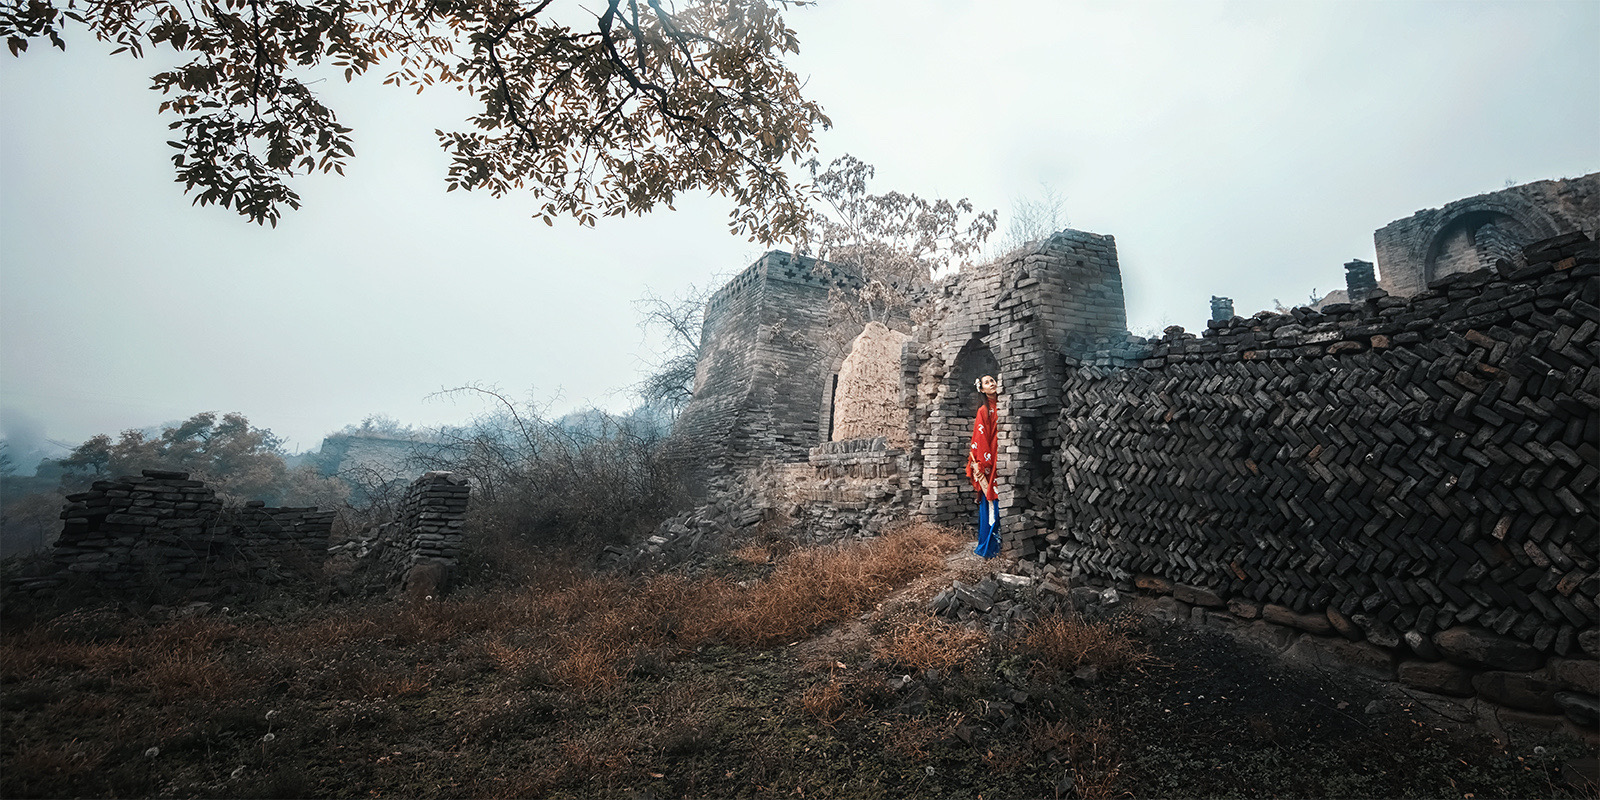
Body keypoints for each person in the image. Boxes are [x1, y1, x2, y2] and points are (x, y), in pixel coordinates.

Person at [966, 374, 1001, 558]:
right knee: (991, 499)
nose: (992, 383)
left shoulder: (1002, 405)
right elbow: (981, 439)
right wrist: (985, 464)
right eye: (987, 382)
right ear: (982, 389)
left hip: (1002, 455)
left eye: (993, 380)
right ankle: (990, 546)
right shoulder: (983, 411)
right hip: (991, 459)